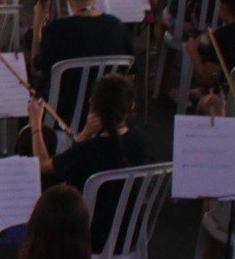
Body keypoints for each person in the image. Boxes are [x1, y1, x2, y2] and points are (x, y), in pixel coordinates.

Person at [19, 74, 149, 247]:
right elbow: (76, 155)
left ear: (93, 106)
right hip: (128, 234)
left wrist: (35, 123)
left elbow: (43, 166)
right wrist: (86, 133)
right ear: (131, 107)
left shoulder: (90, 150)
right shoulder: (137, 139)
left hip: (86, 235)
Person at [35, 0, 136, 86]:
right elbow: (131, 73)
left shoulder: (56, 30)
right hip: (105, 104)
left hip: (65, 104)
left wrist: (38, 21)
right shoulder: (118, 27)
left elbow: (39, 71)